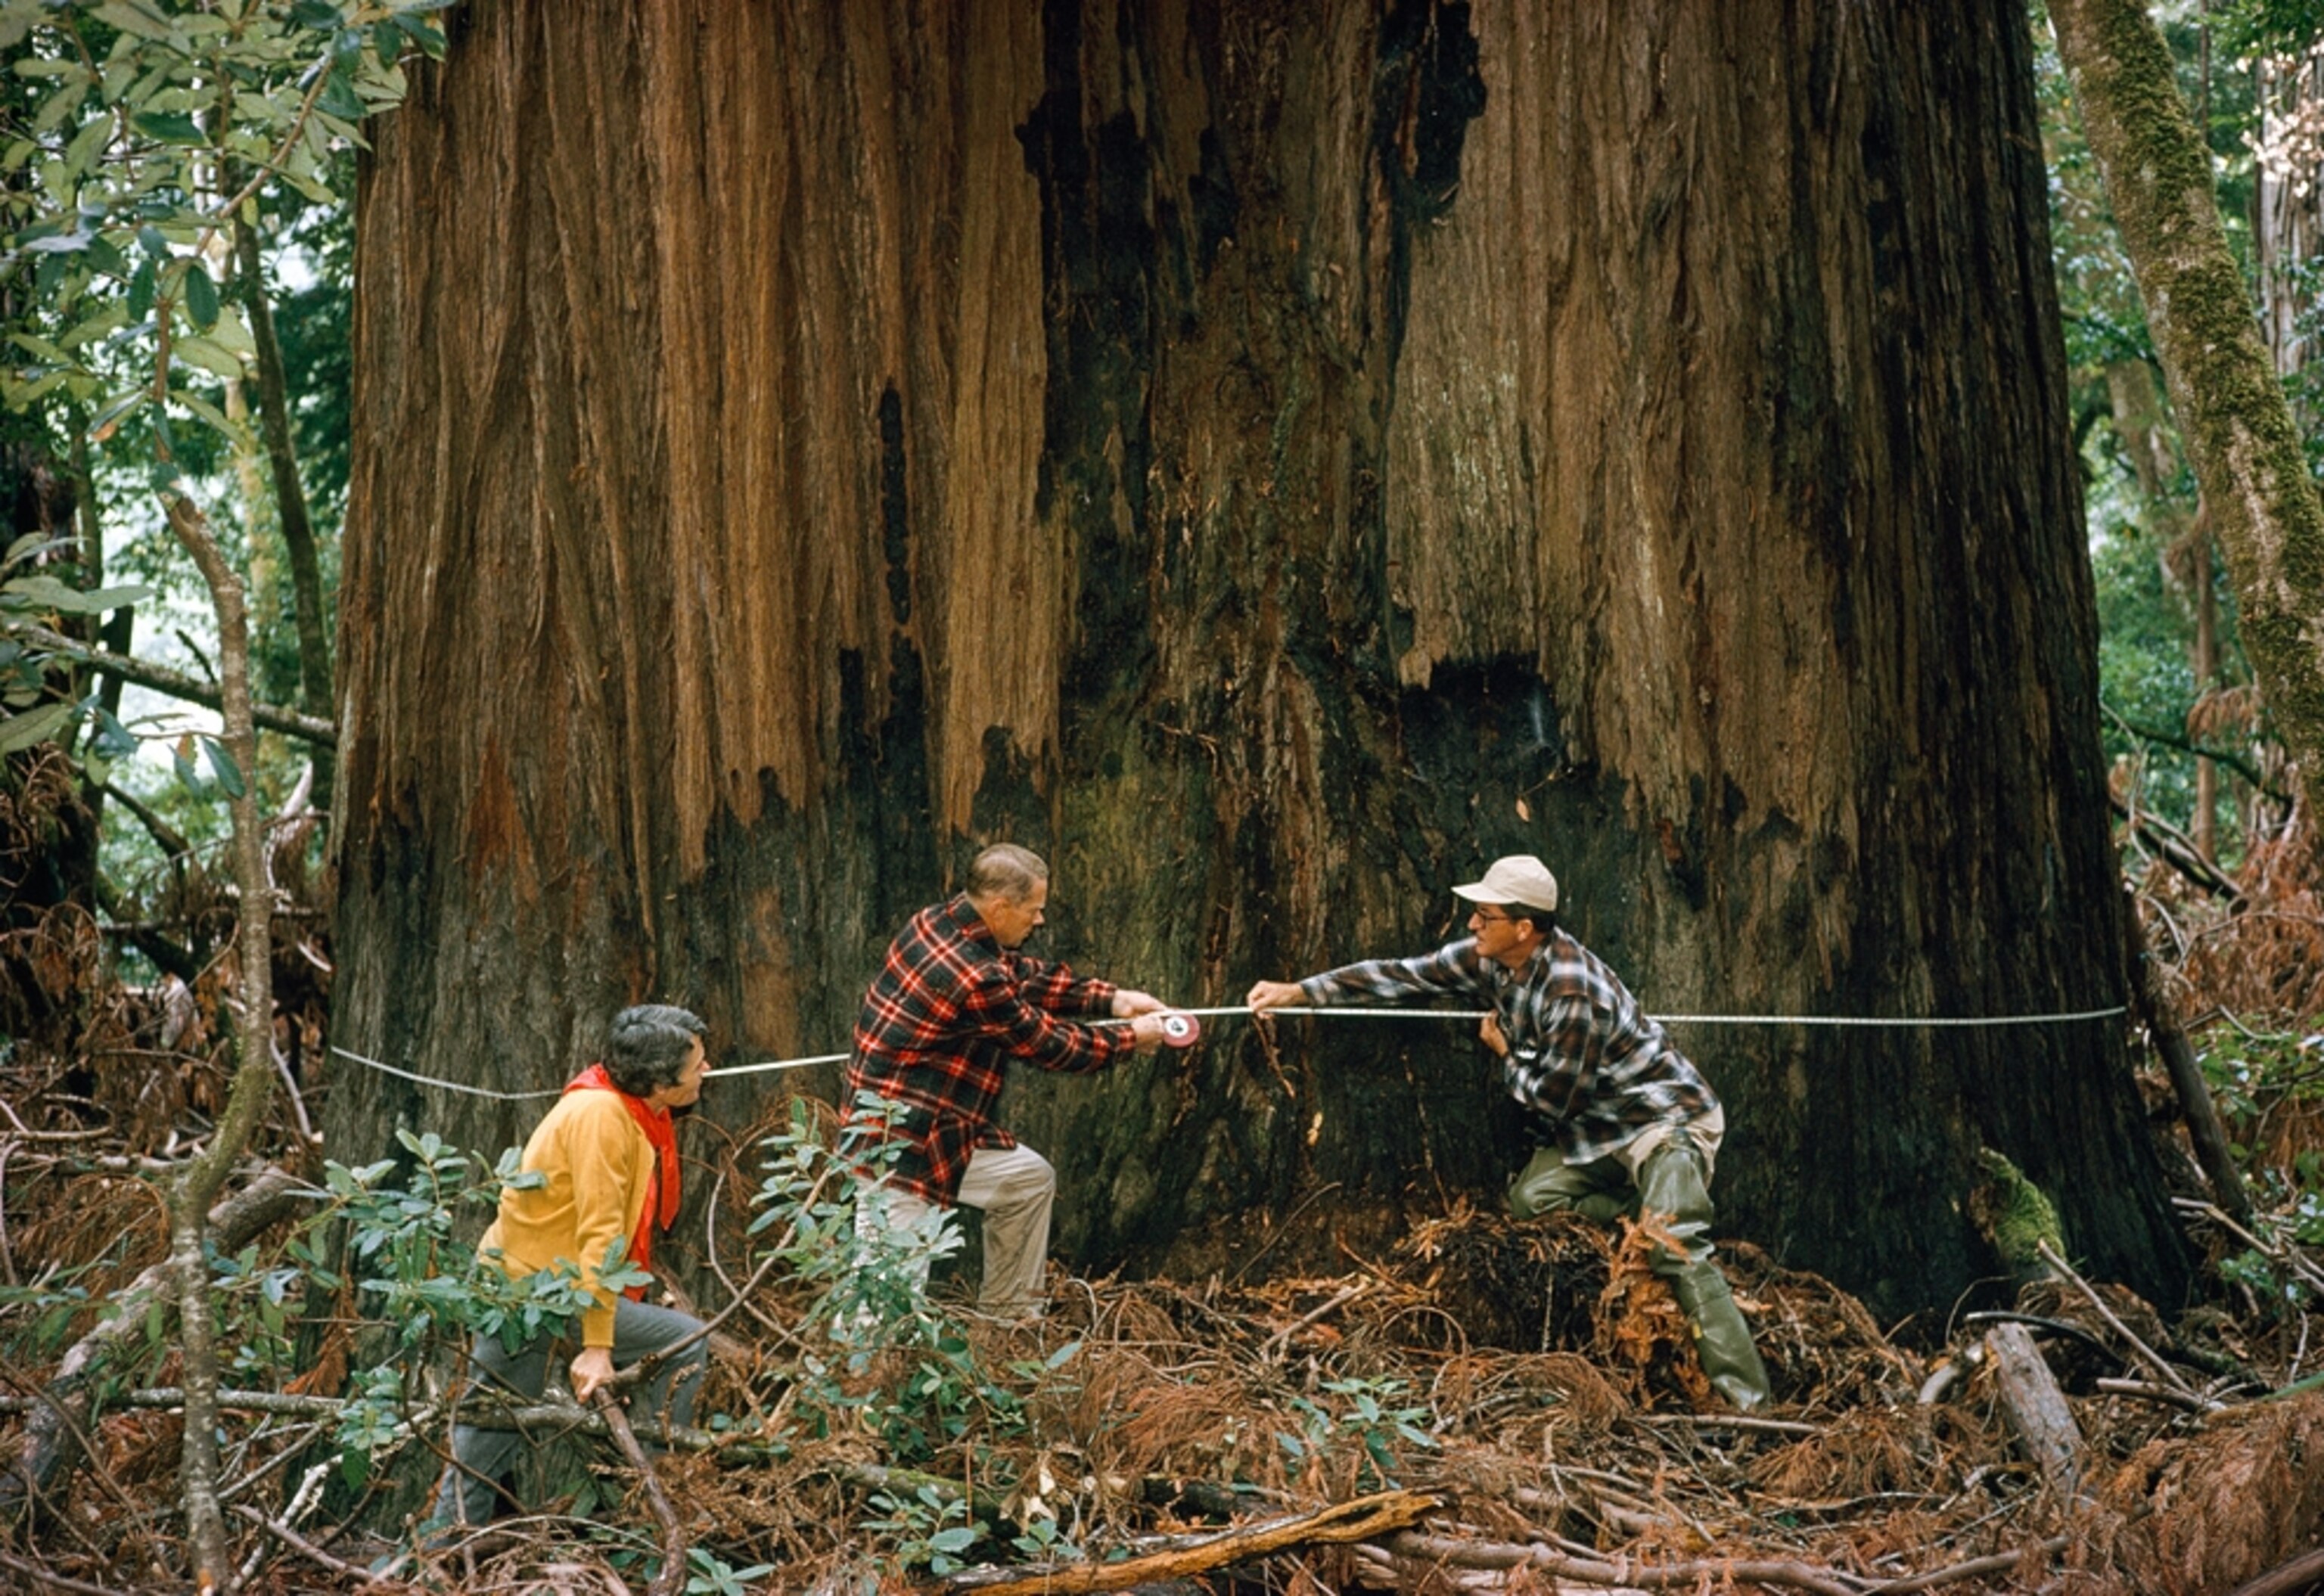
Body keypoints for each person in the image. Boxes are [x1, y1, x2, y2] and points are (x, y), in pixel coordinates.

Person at [1245, 855, 1773, 1411]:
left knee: (1678, 1249)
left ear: (1524, 928)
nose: (1472, 925)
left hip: (1662, 1122)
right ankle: (1643, 1211)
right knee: (1533, 1199)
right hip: (1599, 1128)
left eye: (1484, 916)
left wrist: (1504, 1054)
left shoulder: (1573, 993)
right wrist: (1299, 992)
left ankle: (1749, 1400)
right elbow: (1402, 975)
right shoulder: (1490, 960)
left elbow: (1552, 1099)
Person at [846, 843, 1171, 1318]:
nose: (1039, 921)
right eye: (1034, 910)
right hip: (900, 1147)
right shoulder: (974, 977)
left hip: (946, 1132)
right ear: (1000, 907)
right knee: (880, 1306)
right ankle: (851, 1388)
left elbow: (1019, 975)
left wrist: (1114, 1000)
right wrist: (1131, 1038)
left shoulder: (935, 923)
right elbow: (1046, 1043)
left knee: (1027, 1181)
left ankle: (1007, 1330)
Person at [431, 1004, 713, 1529]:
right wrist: (598, 1347)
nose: (708, 1070)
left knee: (489, 1425)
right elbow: (599, 1239)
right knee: (683, 1345)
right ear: (657, 1081)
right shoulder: (603, 1119)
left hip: (536, 1283)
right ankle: (660, 1501)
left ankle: (446, 1545)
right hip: (530, 1294)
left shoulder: (622, 1109)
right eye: (697, 1064)